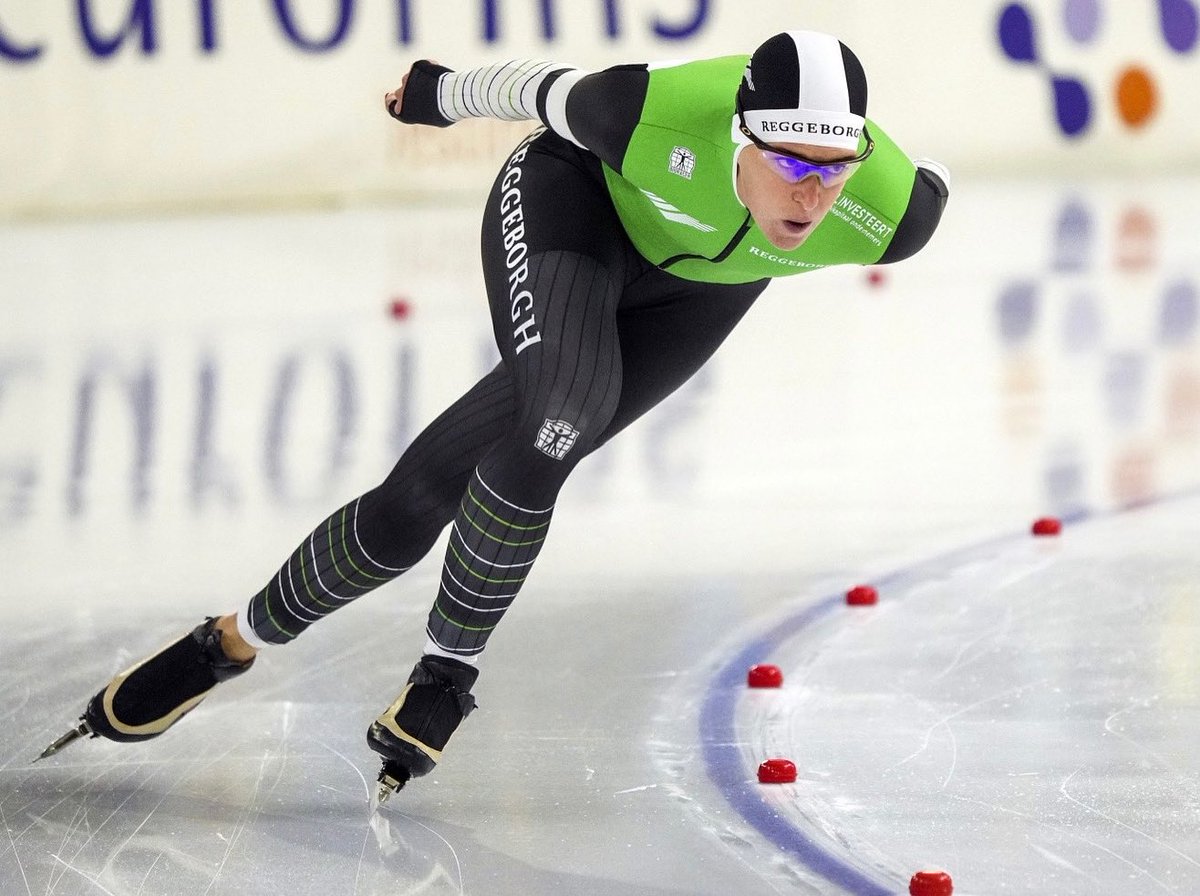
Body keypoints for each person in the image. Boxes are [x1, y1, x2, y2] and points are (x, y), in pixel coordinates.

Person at [38, 30, 949, 804]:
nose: (813, 193)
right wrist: (437, 93)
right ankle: (445, 674)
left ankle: (228, 643)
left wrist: (857, 177)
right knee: (565, 412)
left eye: (836, 169)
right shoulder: (650, 113)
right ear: (741, 135)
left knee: (416, 502)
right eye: (791, 162)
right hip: (573, 208)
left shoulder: (891, 213)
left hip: (699, 294)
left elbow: (900, 181)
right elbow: (536, 89)